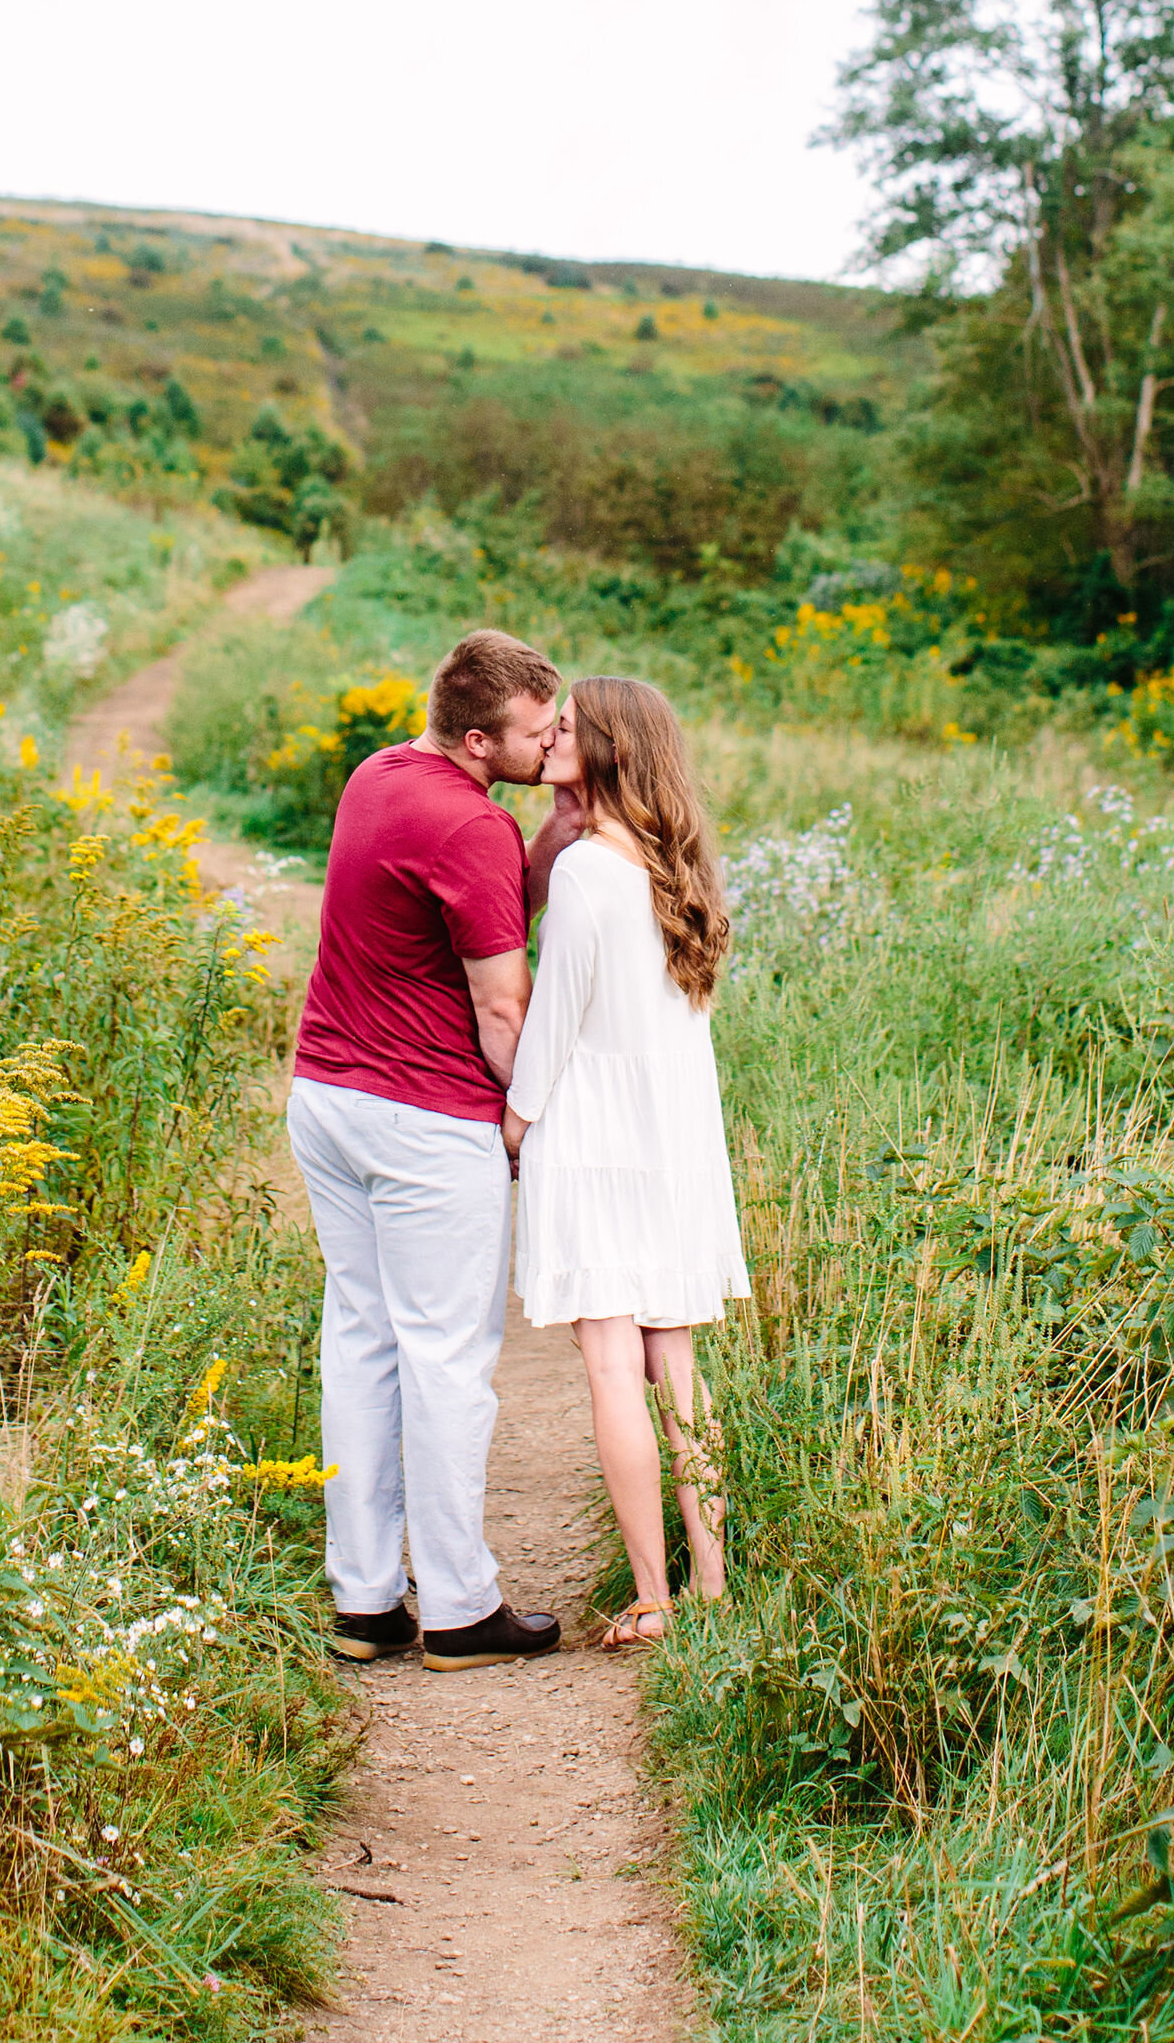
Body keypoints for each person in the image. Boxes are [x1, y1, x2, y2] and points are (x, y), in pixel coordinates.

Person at [286, 626, 568, 1672]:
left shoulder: (380, 777)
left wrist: (548, 835)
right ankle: (459, 1605)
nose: (555, 745)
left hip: (326, 1099)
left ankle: (363, 1599)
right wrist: (530, 1115)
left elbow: (466, 897)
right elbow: (502, 1005)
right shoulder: (474, 831)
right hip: (422, 1121)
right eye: (541, 734)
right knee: (448, 1358)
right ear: (486, 742)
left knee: (360, 1340)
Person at [502, 676, 748, 1648]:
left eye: (566, 727)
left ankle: (652, 1594)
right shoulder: (669, 867)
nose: (550, 737)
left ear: (606, 748)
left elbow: (556, 1020)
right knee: (675, 1367)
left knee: (611, 1363)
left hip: (598, 1139)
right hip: (672, 1144)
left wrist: (517, 1124)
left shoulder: (587, 874)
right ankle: (712, 1583)